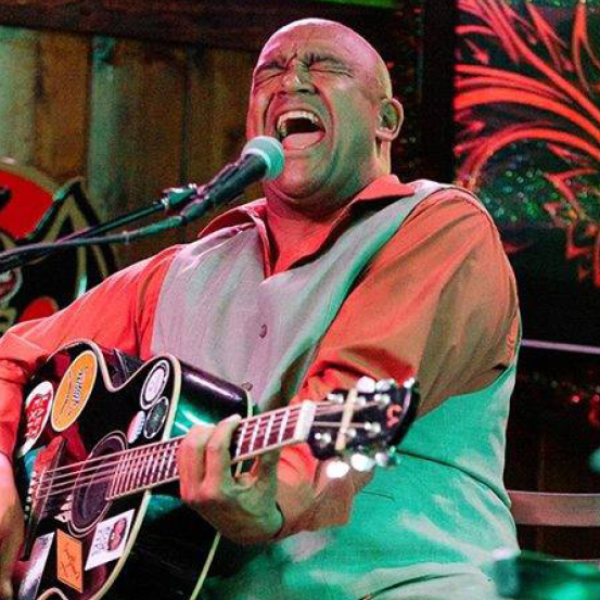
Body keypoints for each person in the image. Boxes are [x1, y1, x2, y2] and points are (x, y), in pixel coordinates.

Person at [0, 18, 519, 600]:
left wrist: (271, 501)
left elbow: (355, 388)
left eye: (323, 65)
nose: (290, 79)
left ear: (386, 121)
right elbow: (13, 353)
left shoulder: (440, 228)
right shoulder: (184, 269)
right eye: (269, 70)